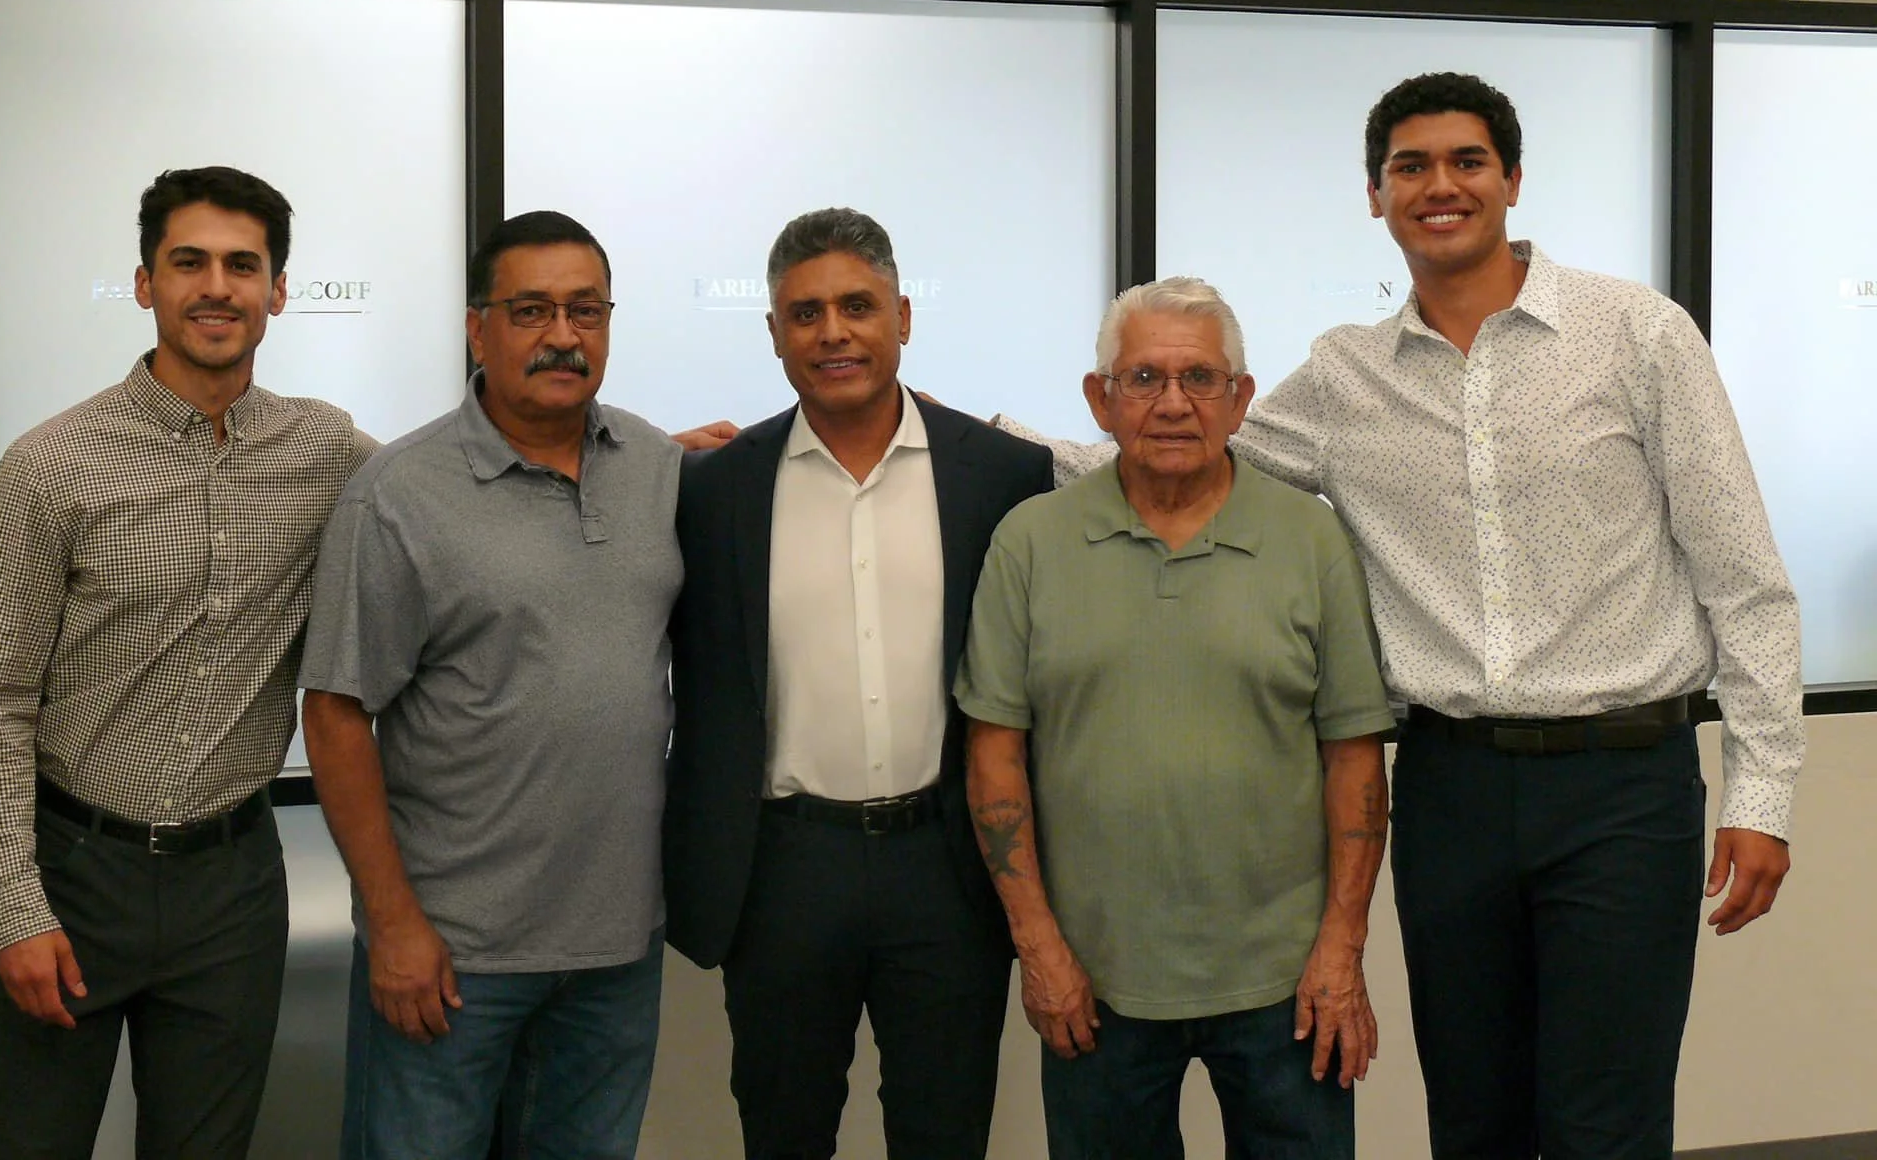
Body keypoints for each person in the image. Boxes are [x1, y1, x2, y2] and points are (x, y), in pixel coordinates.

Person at [999, 71, 1804, 1160]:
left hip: (1620, 787)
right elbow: (1173, 446)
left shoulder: (1635, 335)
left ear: (1510, 180)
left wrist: (1761, 791)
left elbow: (1741, 575)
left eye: (1465, 162)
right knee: (1470, 1114)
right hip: (1448, 789)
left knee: (1601, 1123)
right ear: (1372, 196)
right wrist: (945, 431)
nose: (1439, 186)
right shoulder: (1344, 376)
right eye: (1408, 167)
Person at [0, 166, 372, 1159]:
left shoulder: (324, 448)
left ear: (277, 289)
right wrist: (13, 910)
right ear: (146, 284)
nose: (215, 286)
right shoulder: (51, 466)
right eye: (188, 262)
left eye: (242, 265)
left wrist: (639, 456)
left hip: (233, 885)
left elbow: (457, 491)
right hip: (71, 870)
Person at [957, 278, 1393, 1160]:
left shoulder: (1311, 541)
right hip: (1096, 982)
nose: (1171, 404)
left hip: (1287, 987)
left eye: (1199, 378)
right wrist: (1038, 947)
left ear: (1241, 399)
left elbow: (1354, 760)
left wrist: (1342, 953)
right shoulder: (1030, 542)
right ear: (1099, 399)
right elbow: (995, 758)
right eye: (1143, 378)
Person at [663, 207, 1054, 1159]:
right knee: (784, 1132)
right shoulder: (710, 492)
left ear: (903, 317)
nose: (832, 332)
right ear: (773, 336)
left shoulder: (1004, 474)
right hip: (784, 868)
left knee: (945, 1130)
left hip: (947, 867)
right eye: (804, 314)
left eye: (856, 306)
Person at [299, 210, 685, 1160]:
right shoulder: (397, 494)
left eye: (586, 311)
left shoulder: (657, 469)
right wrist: (391, 925)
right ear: (479, 329)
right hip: (454, 952)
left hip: (615, 949)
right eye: (533, 311)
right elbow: (337, 715)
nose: (564, 335)